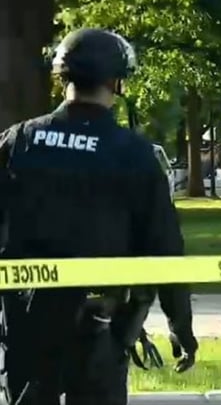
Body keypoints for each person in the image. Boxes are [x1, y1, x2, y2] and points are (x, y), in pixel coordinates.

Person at [0, 28, 197, 405]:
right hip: (102, 324)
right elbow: (165, 247)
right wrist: (180, 327)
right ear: (116, 81)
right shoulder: (136, 155)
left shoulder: (18, 141)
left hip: (27, 318)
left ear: (62, 77)